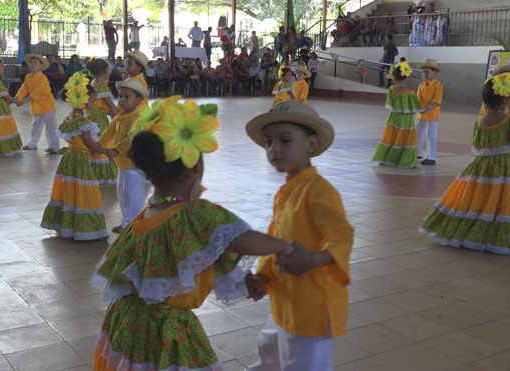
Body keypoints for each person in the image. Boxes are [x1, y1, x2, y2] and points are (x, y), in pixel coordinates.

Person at [91, 95, 306, 371]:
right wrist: (284, 247)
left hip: (128, 324)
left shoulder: (144, 219)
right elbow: (240, 238)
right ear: (196, 166)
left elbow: (189, 259)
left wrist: (243, 280)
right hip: (165, 331)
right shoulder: (194, 215)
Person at [244, 100, 354, 371]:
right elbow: (277, 236)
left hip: (309, 310)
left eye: (285, 140)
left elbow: (341, 234)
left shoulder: (319, 191)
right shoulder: (289, 188)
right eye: (269, 142)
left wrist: (316, 259)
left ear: (311, 145)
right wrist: (264, 275)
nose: (275, 149)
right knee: (267, 357)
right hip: (285, 303)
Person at [420, 73, 510, 255]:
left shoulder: (480, 122)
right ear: (504, 101)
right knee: (501, 201)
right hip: (504, 170)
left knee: (479, 199)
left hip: (481, 167)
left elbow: (478, 145)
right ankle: (495, 235)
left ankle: (470, 232)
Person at [41, 73, 112, 240]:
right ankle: (86, 230)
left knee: (70, 190)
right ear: (83, 100)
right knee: (85, 191)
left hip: (69, 159)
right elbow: (90, 144)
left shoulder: (70, 118)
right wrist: (107, 151)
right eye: (93, 100)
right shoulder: (82, 122)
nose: (94, 104)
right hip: (80, 160)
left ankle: (68, 226)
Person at [98, 78, 149, 233]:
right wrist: (98, 146)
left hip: (134, 164)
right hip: (122, 164)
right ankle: (126, 220)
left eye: (127, 97)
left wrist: (115, 150)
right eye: (120, 96)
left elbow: (131, 139)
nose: (122, 100)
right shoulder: (120, 117)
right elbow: (109, 132)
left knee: (133, 194)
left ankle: (132, 222)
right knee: (122, 193)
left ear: (138, 100)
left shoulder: (137, 118)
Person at [372, 60, 422, 168]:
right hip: (406, 119)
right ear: (407, 77)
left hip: (394, 117)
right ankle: (404, 161)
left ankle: (387, 159)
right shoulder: (410, 91)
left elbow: (389, 104)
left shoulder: (392, 89)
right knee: (405, 138)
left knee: (392, 136)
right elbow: (417, 106)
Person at [15, 54, 60, 154]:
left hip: (47, 106)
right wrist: (16, 98)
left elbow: (37, 92)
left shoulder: (43, 78)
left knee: (51, 128)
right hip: (36, 106)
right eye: (31, 63)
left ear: (41, 66)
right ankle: (32, 144)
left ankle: (54, 147)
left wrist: (23, 101)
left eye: (35, 63)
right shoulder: (28, 77)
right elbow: (23, 89)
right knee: (35, 126)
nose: (32, 64)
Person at [87, 58, 119, 185]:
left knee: (95, 141)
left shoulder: (94, 82)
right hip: (99, 118)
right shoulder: (101, 86)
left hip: (91, 116)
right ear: (105, 71)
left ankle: (94, 170)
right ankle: (102, 174)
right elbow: (111, 107)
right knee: (103, 141)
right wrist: (123, 119)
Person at [416, 58, 443, 165]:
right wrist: (417, 108)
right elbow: (417, 99)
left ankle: (431, 157)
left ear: (434, 72)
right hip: (420, 114)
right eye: (423, 72)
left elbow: (436, 101)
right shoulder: (421, 85)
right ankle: (416, 152)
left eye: (427, 72)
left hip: (432, 114)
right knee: (417, 133)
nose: (425, 74)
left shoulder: (438, 85)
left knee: (431, 135)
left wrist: (426, 109)